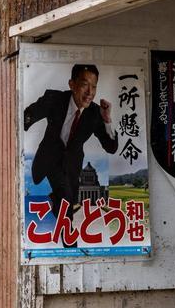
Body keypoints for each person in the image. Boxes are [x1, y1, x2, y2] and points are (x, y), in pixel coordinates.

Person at [24, 64, 118, 212]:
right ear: (72, 84)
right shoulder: (54, 99)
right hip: (49, 160)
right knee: (66, 202)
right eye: (85, 85)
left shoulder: (94, 113)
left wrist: (107, 120)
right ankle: (59, 207)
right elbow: (26, 117)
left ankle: (56, 204)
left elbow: (111, 148)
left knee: (67, 204)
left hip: (72, 167)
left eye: (94, 87)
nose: (90, 93)